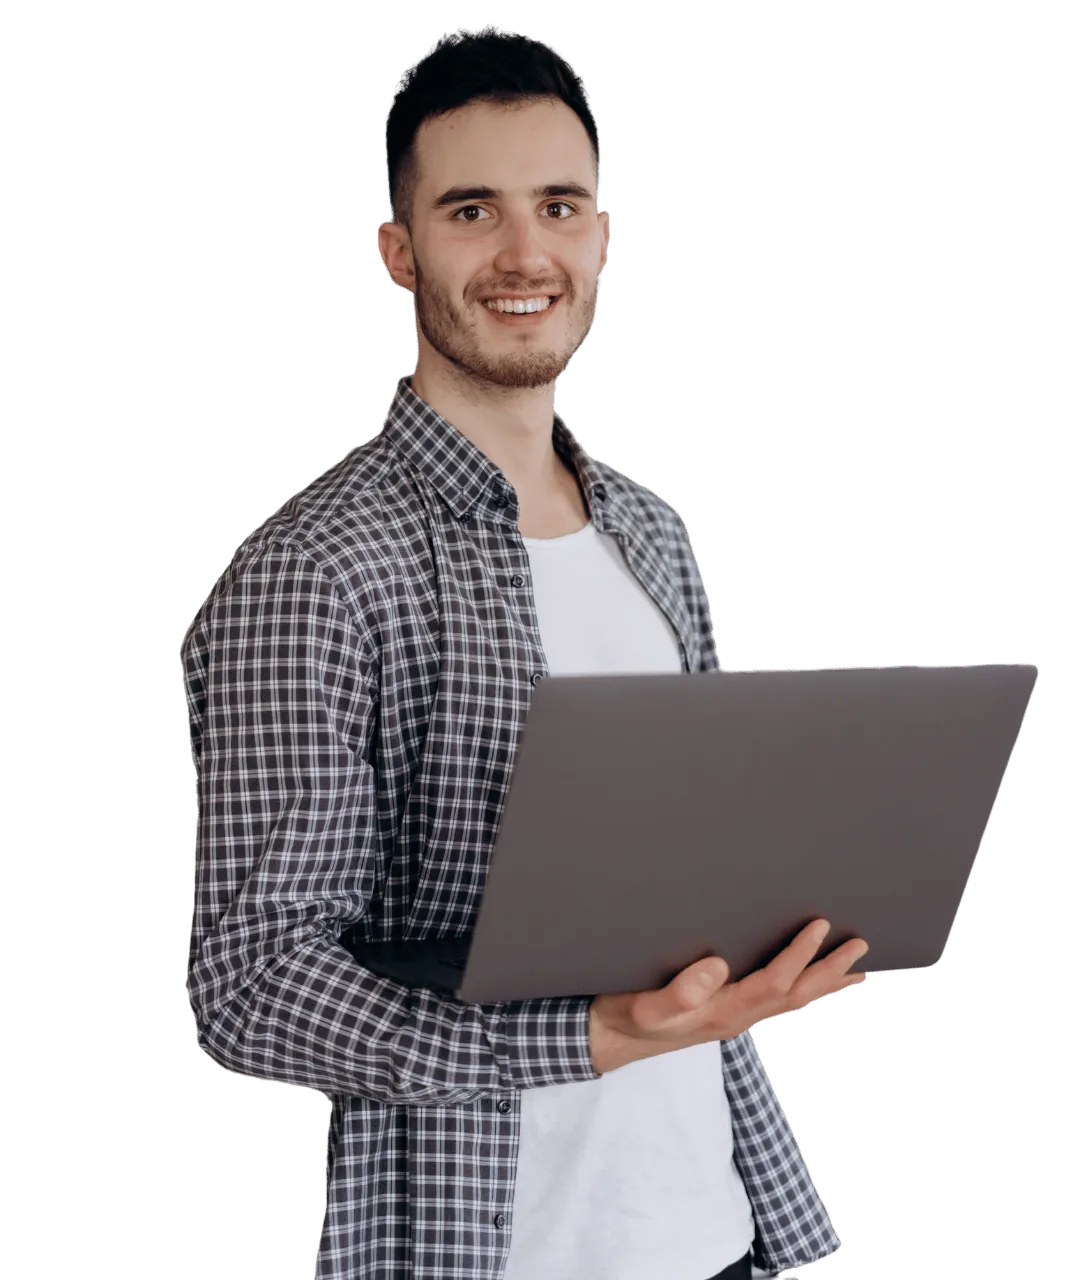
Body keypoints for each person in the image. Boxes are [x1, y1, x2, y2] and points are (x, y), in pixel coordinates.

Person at [181, 29, 863, 1280]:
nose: (522, 254)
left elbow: (695, 877)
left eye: (558, 206)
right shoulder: (311, 569)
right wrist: (586, 1033)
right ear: (397, 251)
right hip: (490, 1244)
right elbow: (252, 986)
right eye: (470, 211)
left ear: (605, 233)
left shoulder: (657, 529)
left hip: (718, 1226)